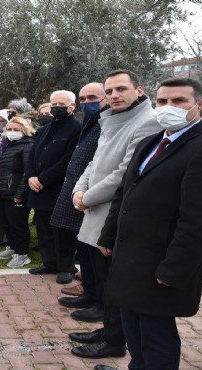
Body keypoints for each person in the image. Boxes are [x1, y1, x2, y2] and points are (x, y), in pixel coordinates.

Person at [92, 78, 202, 370]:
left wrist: (174, 269)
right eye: (162, 102)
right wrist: (108, 236)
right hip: (130, 258)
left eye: (178, 101)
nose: (168, 108)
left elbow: (198, 220)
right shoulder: (154, 140)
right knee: (133, 328)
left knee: (156, 336)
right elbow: (126, 191)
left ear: (198, 106)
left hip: (159, 263)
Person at [68, 70, 162, 360]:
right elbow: (95, 162)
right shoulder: (114, 120)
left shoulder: (148, 122)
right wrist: (78, 190)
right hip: (97, 209)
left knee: (114, 284)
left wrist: (88, 197)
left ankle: (113, 341)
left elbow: (124, 173)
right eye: (109, 91)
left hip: (115, 216)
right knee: (105, 280)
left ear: (139, 89)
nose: (114, 96)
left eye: (121, 89)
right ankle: (109, 332)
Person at [49, 82, 107, 323]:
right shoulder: (91, 121)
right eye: (83, 98)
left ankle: (99, 301)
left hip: (94, 195)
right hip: (78, 187)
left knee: (95, 252)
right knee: (82, 244)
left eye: (92, 97)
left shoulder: (107, 121)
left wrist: (87, 192)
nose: (87, 102)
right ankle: (90, 292)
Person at [26, 90, 81, 283]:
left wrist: (43, 178)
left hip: (59, 186)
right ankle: (49, 262)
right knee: (43, 228)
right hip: (39, 186)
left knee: (62, 230)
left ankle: (66, 267)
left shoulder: (76, 128)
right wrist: (31, 175)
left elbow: (68, 159)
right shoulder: (45, 128)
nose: (57, 108)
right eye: (54, 104)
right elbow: (33, 153)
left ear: (72, 106)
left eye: (61, 104)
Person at [0, 116, 36, 267]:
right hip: (0, 191)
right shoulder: (4, 144)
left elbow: (28, 172)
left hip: (15, 194)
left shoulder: (28, 145)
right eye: (10, 129)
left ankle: (22, 254)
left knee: (17, 224)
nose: (12, 132)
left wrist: (20, 194)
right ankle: (13, 247)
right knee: (5, 222)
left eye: (16, 129)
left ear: (24, 130)